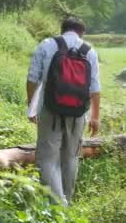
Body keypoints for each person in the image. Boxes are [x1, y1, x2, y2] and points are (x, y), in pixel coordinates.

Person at [26, 17, 101, 205]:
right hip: (77, 113)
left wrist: (31, 106)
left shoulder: (46, 45)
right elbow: (94, 88)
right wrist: (95, 117)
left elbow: (32, 79)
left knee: (47, 159)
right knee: (71, 157)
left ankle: (58, 206)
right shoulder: (89, 50)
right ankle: (66, 200)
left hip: (49, 110)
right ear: (81, 32)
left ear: (62, 29)